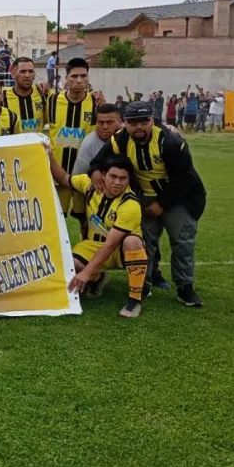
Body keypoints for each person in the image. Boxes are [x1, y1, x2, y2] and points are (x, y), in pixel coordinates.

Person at [90, 100, 206, 307]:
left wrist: (161, 204)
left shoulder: (170, 142)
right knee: (145, 242)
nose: (139, 127)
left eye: (144, 121)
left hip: (179, 197)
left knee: (182, 241)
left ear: (152, 120)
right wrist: (96, 171)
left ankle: (185, 287)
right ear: (126, 123)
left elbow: (184, 179)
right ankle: (143, 284)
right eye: (133, 122)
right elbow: (99, 160)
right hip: (143, 198)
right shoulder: (120, 140)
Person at [47, 152, 149, 318]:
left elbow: (110, 245)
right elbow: (64, 178)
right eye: (113, 176)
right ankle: (98, 278)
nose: (117, 182)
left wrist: (86, 273)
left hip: (119, 250)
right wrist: (49, 155)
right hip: (93, 244)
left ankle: (134, 300)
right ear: (103, 175)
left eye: (123, 178)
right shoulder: (89, 185)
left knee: (131, 241)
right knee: (69, 265)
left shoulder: (130, 204)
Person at [37, 58, 99, 224]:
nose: (79, 80)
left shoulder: (96, 102)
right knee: (54, 222)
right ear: (66, 78)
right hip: (56, 173)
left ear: (88, 78)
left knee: (87, 221)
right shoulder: (52, 100)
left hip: (84, 174)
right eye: (74, 76)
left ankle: (84, 249)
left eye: (83, 76)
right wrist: (40, 85)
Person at [73, 103, 123, 176]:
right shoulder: (89, 143)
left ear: (120, 122)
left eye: (110, 122)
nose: (105, 127)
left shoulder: (128, 137)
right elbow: (78, 176)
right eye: (101, 122)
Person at [1, 57, 47, 133]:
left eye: (30, 71)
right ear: (13, 73)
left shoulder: (43, 93)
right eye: (23, 71)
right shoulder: (2, 96)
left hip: (36, 144)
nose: (27, 75)